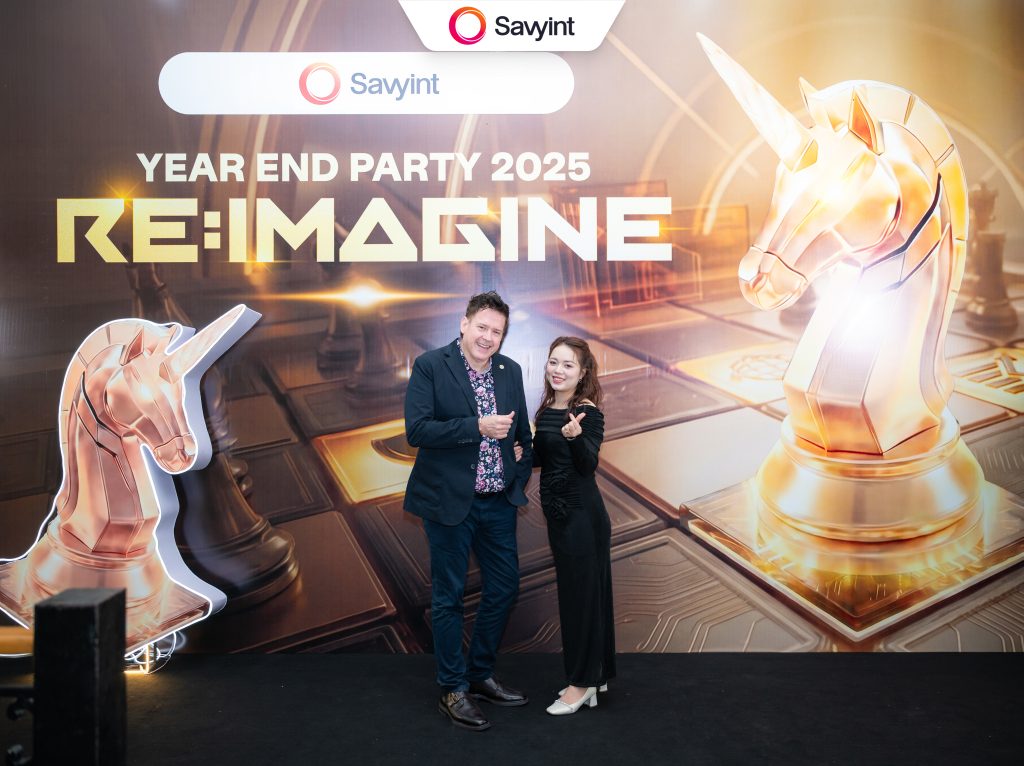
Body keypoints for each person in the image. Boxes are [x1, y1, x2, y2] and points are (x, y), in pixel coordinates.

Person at [404, 291, 534, 732]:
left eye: (497, 331)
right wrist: (477, 427)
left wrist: (517, 470)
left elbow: (523, 435)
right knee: (449, 597)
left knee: (504, 587)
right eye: (482, 327)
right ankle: (453, 689)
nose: (488, 337)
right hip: (448, 503)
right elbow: (417, 430)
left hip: (498, 503)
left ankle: (479, 674)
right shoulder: (430, 365)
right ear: (464, 324)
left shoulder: (509, 370)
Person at [532, 336, 616, 715]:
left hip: (583, 518)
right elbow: (544, 457)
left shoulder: (586, 413)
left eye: (568, 365)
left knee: (582, 601)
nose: (558, 370)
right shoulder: (547, 408)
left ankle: (580, 685)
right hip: (558, 517)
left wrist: (577, 437)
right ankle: (592, 678)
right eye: (554, 362)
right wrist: (520, 451)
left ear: (582, 373)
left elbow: (587, 465)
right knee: (576, 598)